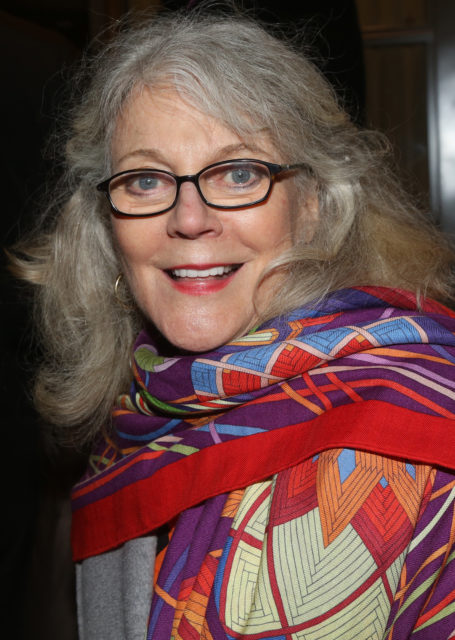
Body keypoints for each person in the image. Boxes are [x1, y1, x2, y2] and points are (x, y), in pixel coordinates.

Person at [10, 6, 455, 640]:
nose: (189, 218)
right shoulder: (149, 403)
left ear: (317, 202)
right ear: (105, 224)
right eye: (144, 179)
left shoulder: (369, 452)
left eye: (240, 172)